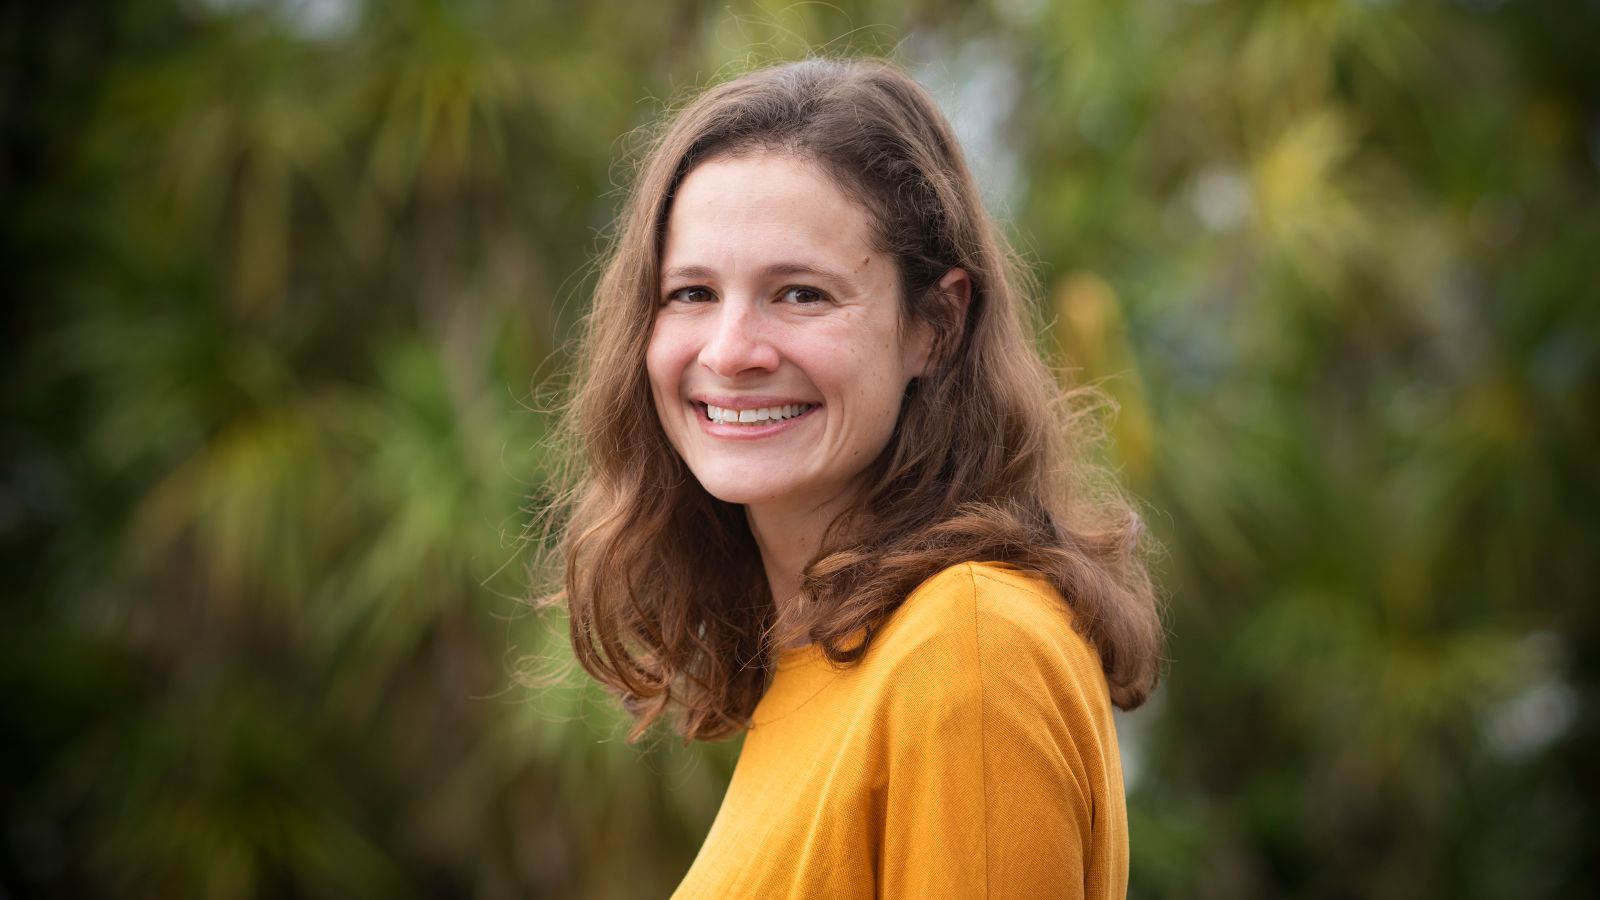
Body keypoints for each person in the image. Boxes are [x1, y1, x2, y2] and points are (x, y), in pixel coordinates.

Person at [550, 57, 1163, 898]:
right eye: (691, 292)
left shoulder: (969, 647)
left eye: (800, 294)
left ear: (937, 325)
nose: (730, 351)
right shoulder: (825, 655)